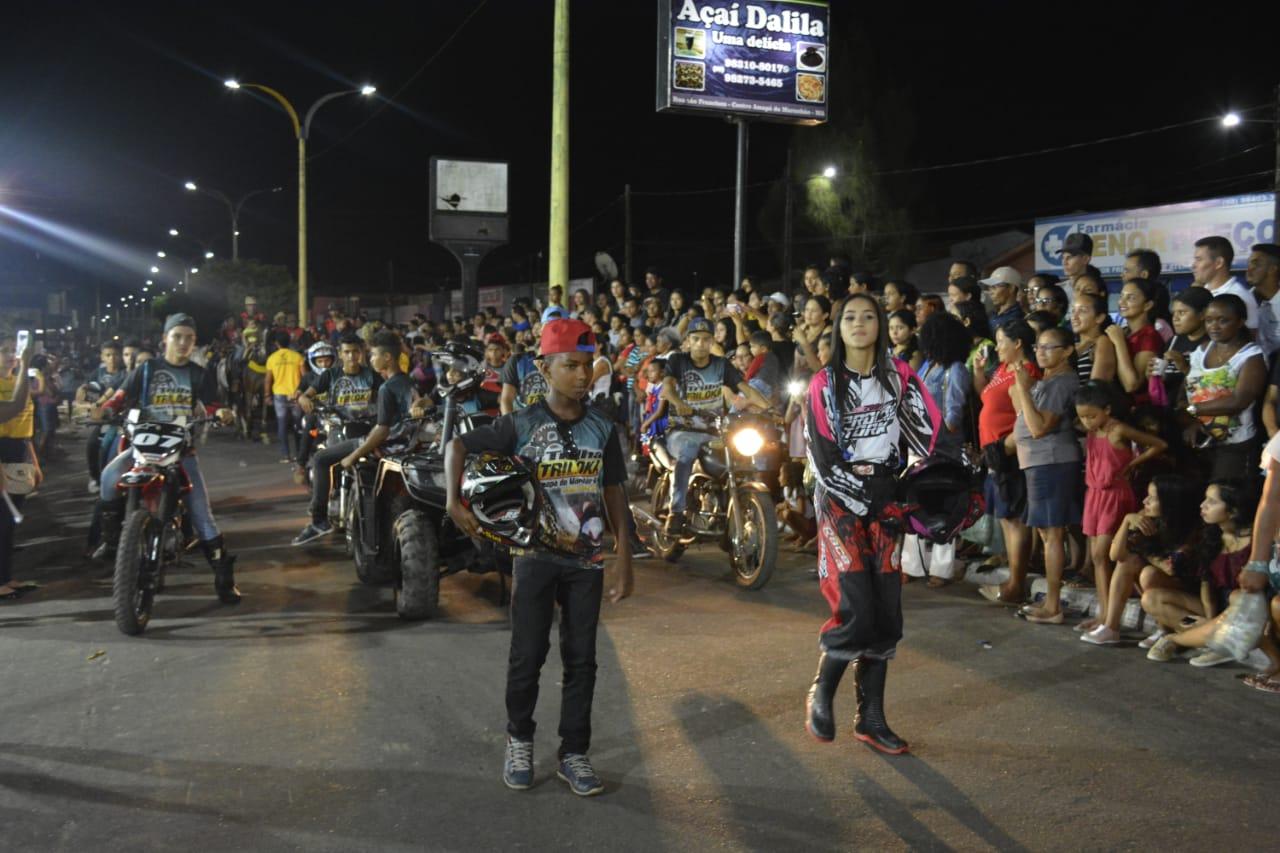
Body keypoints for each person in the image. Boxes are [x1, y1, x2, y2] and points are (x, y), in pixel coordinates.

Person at [445, 318, 632, 796]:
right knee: (528, 656)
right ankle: (520, 740)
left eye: (588, 365)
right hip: (533, 558)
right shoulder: (521, 424)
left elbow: (613, 491)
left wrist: (623, 554)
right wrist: (453, 501)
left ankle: (574, 753)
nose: (582, 375)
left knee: (582, 660)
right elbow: (458, 445)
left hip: (586, 562)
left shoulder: (603, 427)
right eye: (570, 365)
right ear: (544, 370)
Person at [802, 292, 940, 754]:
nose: (859, 323)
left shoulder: (901, 377)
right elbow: (822, 457)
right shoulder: (823, 384)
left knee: (886, 610)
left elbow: (928, 432)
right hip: (840, 501)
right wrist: (864, 497)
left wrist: (935, 481)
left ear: (881, 325)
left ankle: (871, 718)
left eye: (868, 316)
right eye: (849, 318)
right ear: (838, 329)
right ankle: (823, 690)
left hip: (888, 499)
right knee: (855, 603)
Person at [92, 314, 239, 602]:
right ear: (165, 339)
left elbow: (212, 405)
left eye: (189, 338)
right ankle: (112, 543)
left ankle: (224, 580)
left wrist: (220, 413)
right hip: (142, 446)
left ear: (194, 343)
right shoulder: (147, 369)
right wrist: (106, 408)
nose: (183, 343)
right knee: (109, 478)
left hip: (180, 451)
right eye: (177, 336)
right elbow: (120, 396)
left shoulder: (200, 374)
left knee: (202, 515)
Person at [292, 330, 424, 545]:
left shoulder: (374, 377)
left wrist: (418, 404)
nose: (353, 357)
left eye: (357, 352)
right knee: (316, 445)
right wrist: (305, 399)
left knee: (322, 460)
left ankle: (320, 521)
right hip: (339, 427)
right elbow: (307, 394)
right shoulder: (330, 375)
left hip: (369, 431)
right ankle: (317, 501)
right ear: (340, 354)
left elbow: (405, 397)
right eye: (347, 352)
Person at [1074, 382, 1169, 643]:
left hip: (1114, 495)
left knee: (1104, 553)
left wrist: (1133, 463)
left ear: (1107, 409)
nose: (1087, 421)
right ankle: (1104, 615)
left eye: (1092, 416)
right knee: (1097, 558)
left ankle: (1109, 619)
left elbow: (1158, 444)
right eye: (1082, 416)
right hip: (1094, 494)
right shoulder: (1094, 430)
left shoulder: (1118, 429)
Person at [660, 318, 770, 535]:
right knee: (689, 449)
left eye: (706, 339)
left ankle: (725, 509)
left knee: (736, 456)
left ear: (712, 341)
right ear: (688, 341)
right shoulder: (678, 361)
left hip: (713, 431)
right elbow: (667, 388)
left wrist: (768, 408)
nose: (701, 343)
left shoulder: (721, 365)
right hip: (681, 430)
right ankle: (677, 511)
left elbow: (744, 389)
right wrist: (680, 404)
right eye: (696, 339)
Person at [1009, 326, 1081, 624]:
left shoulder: (1063, 382)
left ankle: (1053, 606)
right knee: (1046, 532)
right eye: (1038, 346)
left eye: (1049, 347)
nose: (1040, 351)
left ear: (1067, 351)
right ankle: (1051, 603)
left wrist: (1024, 389)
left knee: (1052, 534)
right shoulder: (1047, 380)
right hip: (1038, 463)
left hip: (1052, 461)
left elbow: (1039, 428)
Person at [1144, 480, 1259, 666]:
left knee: (1237, 598)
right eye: (1205, 499)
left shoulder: (1254, 540)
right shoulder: (1211, 537)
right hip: (1217, 609)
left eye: (1212, 502)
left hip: (1245, 608)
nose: (1202, 505)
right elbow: (1207, 586)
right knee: (1151, 598)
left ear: (1233, 510)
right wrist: (1209, 618)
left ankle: (1191, 639)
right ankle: (1209, 637)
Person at [902, 313, 971, 587]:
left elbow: (954, 414)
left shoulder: (955, 369)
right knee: (914, 504)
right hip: (920, 443)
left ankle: (940, 569)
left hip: (942, 447)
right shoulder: (929, 365)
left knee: (944, 506)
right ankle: (913, 565)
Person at [976, 321, 1040, 605]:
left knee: (1015, 519)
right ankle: (1012, 579)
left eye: (1002, 341)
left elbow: (1024, 418)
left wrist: (1004, 449)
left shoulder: (1026, 374)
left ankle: (1016, 583)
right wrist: (979, 372)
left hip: (1010, 455)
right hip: (995, 453)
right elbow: (987, 398)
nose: (997, 347)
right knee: (1005, 517)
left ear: (1018, 344)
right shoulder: (1003, 369)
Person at [1184, 294, 1266, 481]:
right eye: (1209, 320)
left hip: (1236, 444)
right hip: (1201, 438)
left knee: (1224, 499)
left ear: (1240, 322)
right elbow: (1188, 388)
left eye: (1223, 320)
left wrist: (1194, 410)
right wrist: (1193, 422)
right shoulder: (1201, 351)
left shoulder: (1251, 356)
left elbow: (1239, 401)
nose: (1214, 326)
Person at [0, 337, 39, 601]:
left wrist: (33, 460)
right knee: (1, 521)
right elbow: (13, 408)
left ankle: (6, 577)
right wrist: (26, 365)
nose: (11, 355)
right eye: (4, 351)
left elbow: (25, 423)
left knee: (10, 523)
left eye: (13, 350)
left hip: (19, 451)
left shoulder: (17, 382)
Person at [77, 341, 127, 495]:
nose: (112, 358)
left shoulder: (126, 374)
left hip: (122, 420)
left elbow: (114, 394)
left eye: (116, 355)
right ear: (102, 357)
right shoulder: (97, 374)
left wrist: (101, 404)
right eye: (108, 355)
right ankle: (95, 478)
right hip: (103, 420)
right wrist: (84, 400)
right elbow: (83, 393)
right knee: (93, 445)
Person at [1106, 279, 1165, 407]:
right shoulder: (1125, 332)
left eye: (1130, 298)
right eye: (1121, 296)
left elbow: (1131, 385)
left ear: (1147, 305)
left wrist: (1119, 342)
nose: (1122, 302)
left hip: (1139, 411)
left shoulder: (1149, 336)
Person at [1192, 235, 1258, 329]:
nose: (1193, 265)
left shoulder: (1240, 296)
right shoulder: (1200, 292)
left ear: (1219, 263)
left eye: (1199, 259)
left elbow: (1251, 335)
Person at [263, 330, 305, 464]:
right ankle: (300, 454)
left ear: (276, 344)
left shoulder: (272, 358)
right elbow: (305, 377)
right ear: (290, 342)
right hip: (296, 395)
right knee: (298, 426)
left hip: (279, 395)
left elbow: (268, 380)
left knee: (282, 425)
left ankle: (286, 455)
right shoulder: (297, 357)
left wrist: (267, 395)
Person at [1070, 292, 1117, 385]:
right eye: (1073, 311)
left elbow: (1097, 387)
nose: (1074, 317)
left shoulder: (1102, 342)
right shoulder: (1073, 345)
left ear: (1099, 317)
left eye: (1082, 311)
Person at [1247, 243, 1280, 359]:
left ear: (1272, 269)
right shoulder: (1243, 300)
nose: (1249, 268)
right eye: (1249, 263)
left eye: (1256, 264)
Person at [777, 460, 815, 546]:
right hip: (803, 521)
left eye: (781, 474)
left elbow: (801, 510)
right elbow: (786, 502)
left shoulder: (798, 490)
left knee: (787, 513)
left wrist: (787, 507)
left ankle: (804, 536)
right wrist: (781, 506)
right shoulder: (786, 489)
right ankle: (797, 533)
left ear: (789, 476)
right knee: (781, 512)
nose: (778, 477)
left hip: (810, 524)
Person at [980, 267, 1024, 334]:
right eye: (990, 288)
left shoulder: (1017, 319)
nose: (991, 292)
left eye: (994, 287)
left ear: (1011, 288)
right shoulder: (992, 314)